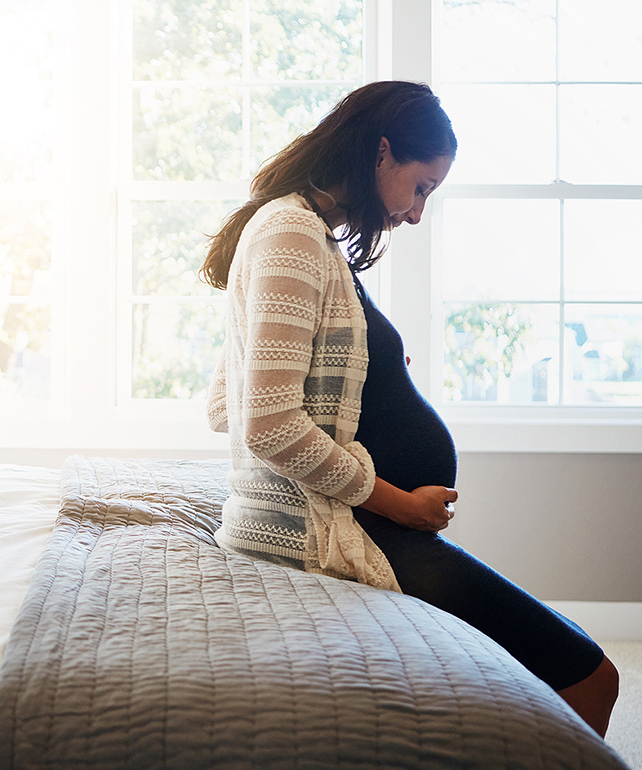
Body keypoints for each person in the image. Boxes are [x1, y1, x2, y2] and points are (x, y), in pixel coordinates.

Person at [202, 80, 619, 737]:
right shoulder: (292, 235)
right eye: (421, 187)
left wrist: (371, 380)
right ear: (382, 154)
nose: (419, 212)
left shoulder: (301, 230)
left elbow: (232, 400)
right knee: (593, 675)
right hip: (342, 528)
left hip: (365, 520)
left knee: (566, 667)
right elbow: (264, 423)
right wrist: (400, 502)